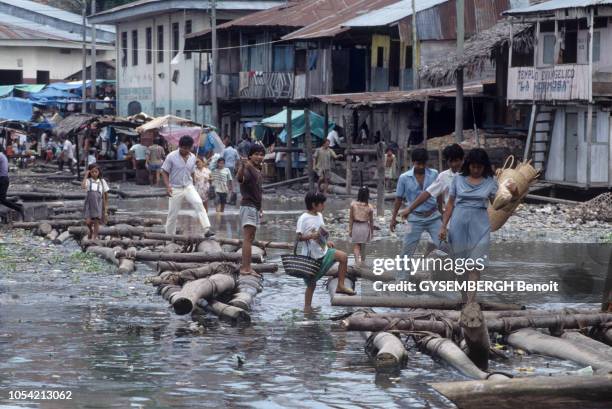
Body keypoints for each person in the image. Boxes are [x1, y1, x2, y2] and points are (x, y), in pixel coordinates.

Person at [439, 149, 515, 302]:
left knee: (475, 265)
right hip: (459, 223)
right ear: (468, 165)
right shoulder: (458, 180)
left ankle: (471, 301)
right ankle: (464, 297)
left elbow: (499, 204)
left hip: (480, 225)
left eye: (479, 167)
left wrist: (513, 193)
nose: (475, 170)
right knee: (460, 266)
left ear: (484, 167)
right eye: (473, 167)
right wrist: (443, 226)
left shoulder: (491, 181)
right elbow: (450, 204)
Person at [297, 192, 355, 312]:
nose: (324, 206)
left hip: (323, 251)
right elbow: (298, 238)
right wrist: (311, 236)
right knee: (311, 285)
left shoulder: (319, 215)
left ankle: (341, 285)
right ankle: (307, 309)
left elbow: (321, 233)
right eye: (322, 204)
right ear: (314, 204)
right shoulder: (303, 218)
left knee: (343, 257)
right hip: (310, 257)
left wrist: (327, 242)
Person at [390, 148, 441, 259]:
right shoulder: (404, 178)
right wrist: (393, 218)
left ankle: (445, 273)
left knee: (444, 245)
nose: (421, 167)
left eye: (423, 164)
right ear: (413, 162)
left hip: (433, 215)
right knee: (407, 250)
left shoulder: (434, 174)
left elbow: (439, 194)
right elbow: (398, 199)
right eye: (418, 164)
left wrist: (441, 213)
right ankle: (402, 277)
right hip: (413, 218)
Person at [161, 135, 214, 236]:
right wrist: (168, 186)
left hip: (188, 186)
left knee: (199, 203)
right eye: (184, 148)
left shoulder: (193, 157)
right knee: (172, 214)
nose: (186, 150)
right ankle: (169, 237)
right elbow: (164, 171)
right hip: (175, 187)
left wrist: (194, 183)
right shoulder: (171, 156)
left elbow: (192, 171)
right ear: (179, 146)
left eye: (188, 148)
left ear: (191, 147)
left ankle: (207, 229)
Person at [400, 143, 465, 219]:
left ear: (462, 159)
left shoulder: (473, 174)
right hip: (453, 217)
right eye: (450, 161)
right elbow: (428, 193)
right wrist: (409, 209)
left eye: (456, 161)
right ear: (446, 161)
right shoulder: (443, 176)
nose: (453, 164)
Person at [236, 144, 265, 276]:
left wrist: (260, 208)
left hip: (253, 207)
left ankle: (247, 267)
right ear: (250, 156)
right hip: (248, 206)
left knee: (250, 238)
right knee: (248, 238)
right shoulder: (247, 168)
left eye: (261, 154)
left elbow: (258, 192)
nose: (259, 157)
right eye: (256, 154)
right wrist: (243, 166)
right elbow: (240, 178)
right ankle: (245, 268)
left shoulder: (256, 169)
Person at [81, 164, 109, 240]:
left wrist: (106, 206)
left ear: (99, 172)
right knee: (88, 222)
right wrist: (86, 175)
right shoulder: (88, 181)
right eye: (92, 172)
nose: (94, 173)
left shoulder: (102, 182)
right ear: (90, 172)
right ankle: (91, 230)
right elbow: (83, 186)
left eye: (96, 172)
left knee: (96, 221)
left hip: (98, 203)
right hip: (89, 203)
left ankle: (94, 237)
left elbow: (106, 194)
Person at [349, 187, 374, 266]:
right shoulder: (369, 207)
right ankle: (363, 262)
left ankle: (357, 262)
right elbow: (371, 221)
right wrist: (372, 232)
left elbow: (351, 218)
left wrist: (350, 229)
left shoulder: (353, 204)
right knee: (363, 246)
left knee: (357, 245)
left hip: (356, 226)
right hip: (365, 227)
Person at [0, 146, 24, 218]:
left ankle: (19, 208)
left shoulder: (0, 156)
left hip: (2, 180)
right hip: (3, 179)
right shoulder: (3, 156)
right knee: (2, 199)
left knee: (2, 199)